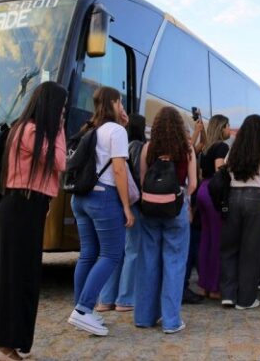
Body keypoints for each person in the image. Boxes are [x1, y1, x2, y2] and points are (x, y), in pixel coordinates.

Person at [0, 81, 67, 361]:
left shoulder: (26, 129)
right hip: (21, 207)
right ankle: (0, 345)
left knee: (18, 276)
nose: (63, 113)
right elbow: (60, 161)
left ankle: (3, 342)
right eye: (62, 108)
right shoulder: (31, 131)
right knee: (15, 277)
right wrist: (60, 128)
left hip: (24, 208)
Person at [67, 87, 135, 337]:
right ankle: (84, 310)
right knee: (111, 254)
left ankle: (81, 307)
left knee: (88, 254)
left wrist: (123, 127)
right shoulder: (115, 131)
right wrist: (126, 206)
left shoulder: (89, 128)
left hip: (80, 198)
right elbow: (118, 170)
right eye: (120, 103)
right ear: (115, 103)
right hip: (103, 197)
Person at [135, 106, 197, 334]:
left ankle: (144, 317)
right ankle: (171, 321)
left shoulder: (147, 148)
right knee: (174, 263)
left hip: (150, 210)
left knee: (148, 262)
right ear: (180, 127)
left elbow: (143, 180)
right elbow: (192, 184)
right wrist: (183, 201)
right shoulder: (187, 149)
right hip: (176, 208)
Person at [220, 114, 260, 310]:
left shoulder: (233, 150)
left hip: (234, 197)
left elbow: (225, 172)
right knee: (251, 251)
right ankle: (246, 300)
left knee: (230, 248)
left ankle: (228, 294)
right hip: (257, 198)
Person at [95, 113, 146, 313]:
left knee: (113, 251)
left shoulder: (110, 142)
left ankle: (106, 298)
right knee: (132, 249)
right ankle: (125, 298)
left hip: (111, 198)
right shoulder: (138, 147)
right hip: (130, 201)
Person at [195, 115, 231, 299]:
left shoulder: (206, 148)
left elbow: (202, 173)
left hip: (202, 190)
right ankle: (215, 287)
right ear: (221, 127)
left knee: (206, 240)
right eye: (228, 126)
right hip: (214, 193)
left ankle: (204, 286)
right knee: (218, 241)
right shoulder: (222, 147)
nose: (229, 130)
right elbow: (220, 171)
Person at [183, 114, 206, 304]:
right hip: (186, 205)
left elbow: (200, 145)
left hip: (192, 205)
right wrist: (196, 132)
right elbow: (189, 149)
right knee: (188, 247)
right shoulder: (183, 151)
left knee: (192, 245)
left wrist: (201, 130)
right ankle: (183, 288)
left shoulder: (191, 151)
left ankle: (186, 285)